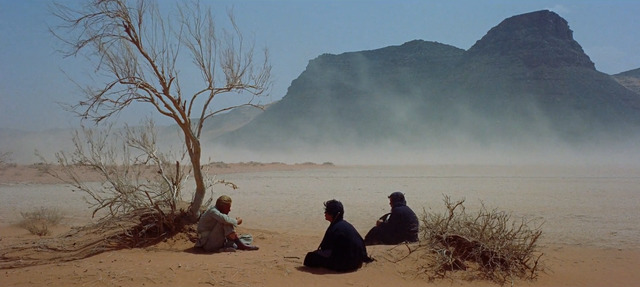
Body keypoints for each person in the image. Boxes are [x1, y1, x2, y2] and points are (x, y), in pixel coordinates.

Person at [304, 199, 373, 272]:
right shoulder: (347, 225)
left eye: (327, 211)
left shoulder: (334, 228)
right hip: (357, 262)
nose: (325, 213)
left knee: (310, 257)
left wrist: (316, 253)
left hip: (345, 264)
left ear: (333, 214)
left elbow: (326, 249)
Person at [195, 195, 259, 252]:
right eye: (228, 207)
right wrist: (237, 221)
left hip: (213, 240)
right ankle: (241, 245)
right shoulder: (213, 211)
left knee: (248, 237)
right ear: (222, 206)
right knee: (225, 222)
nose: (229, 210)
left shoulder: (217, 212)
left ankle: (234, 244)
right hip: (207, 244)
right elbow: (225, 220)